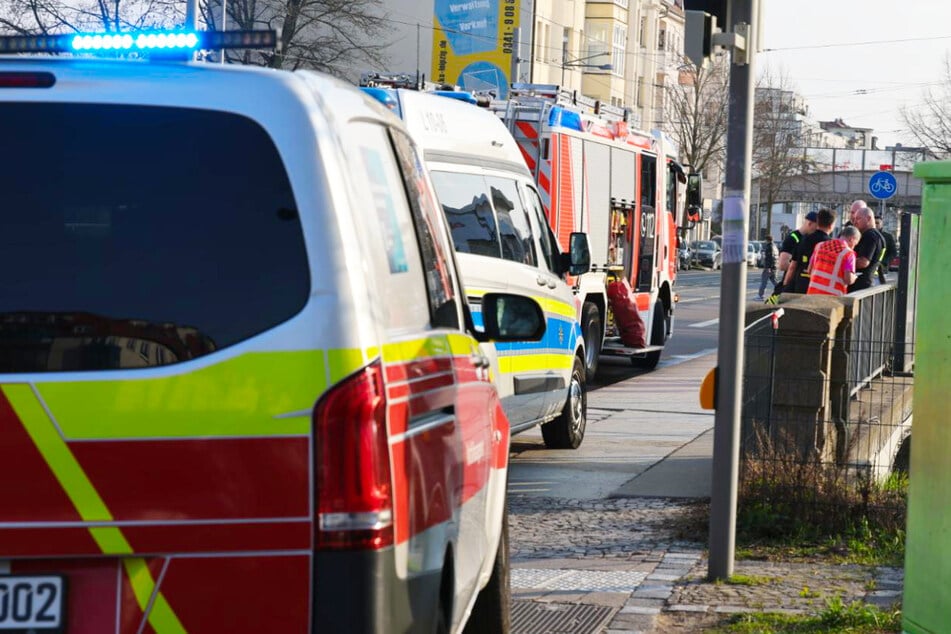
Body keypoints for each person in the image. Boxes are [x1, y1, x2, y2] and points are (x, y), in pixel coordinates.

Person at [765, 212, 816, 303]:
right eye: (816, 226)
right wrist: (801, 269)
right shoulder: (793, 238)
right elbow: (783, 265)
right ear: (809, 223)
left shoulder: (809, 239)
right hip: (790, 285)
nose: (817, 230)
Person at [783, 208, 836, 294]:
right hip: (819, 288)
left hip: (800, 285)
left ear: (818, 222)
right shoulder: (831, 245)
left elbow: (792, 267)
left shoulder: (803, 240)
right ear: (831, 225)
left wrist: (785, 287)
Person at [807, 226, 861, 296]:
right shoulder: (849, 254)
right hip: (833, 297)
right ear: (851, 239)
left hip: (813, 293)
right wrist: (854, 277)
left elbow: (809, 270)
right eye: (855, 244)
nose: (854, 247)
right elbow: (848, 279)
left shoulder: (819, 246)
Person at [847, 205, 886, 293]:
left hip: (859, 286)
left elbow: (863, 262)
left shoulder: (869, 236)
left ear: (868, 218)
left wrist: (844, 262)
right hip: (868, 283)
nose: (855, 222)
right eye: (854, 219)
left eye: (858, 218)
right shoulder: (879, 236)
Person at [875, 217, 897, 283]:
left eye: (877, 223)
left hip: (882, 269)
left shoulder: (888, 236)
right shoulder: (867, 235)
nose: (875, 225)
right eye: (874, 223)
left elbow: (893, 252)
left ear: (882, 225)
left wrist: (885, 262)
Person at [757, 235, 779, 301]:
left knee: (764, 281)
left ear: (767, 240)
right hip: (774, 267)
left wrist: (768, 267)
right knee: (775, 281)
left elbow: (769, 258)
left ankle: (760, 296)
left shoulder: (769, 247)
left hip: (769, 268)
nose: (765, 241)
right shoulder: (775, 246)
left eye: (765, 240)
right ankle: (782, 291)